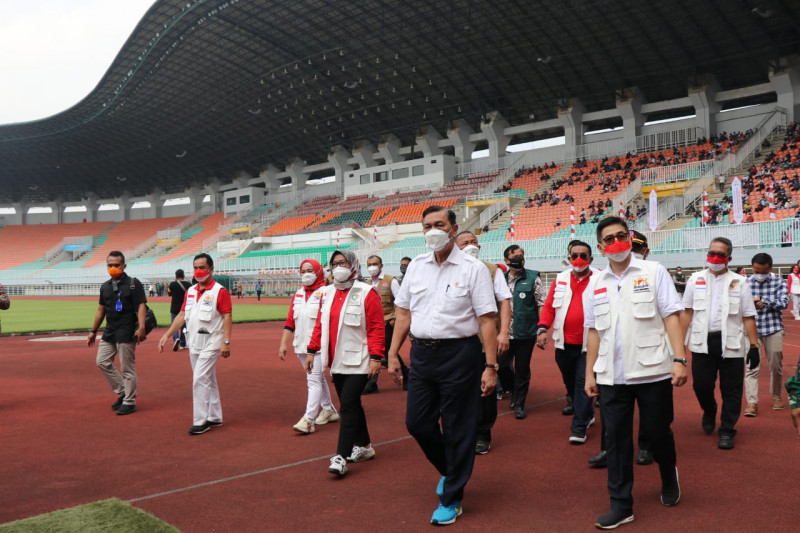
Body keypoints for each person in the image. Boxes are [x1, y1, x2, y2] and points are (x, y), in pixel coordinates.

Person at [387, 205, 498, 526]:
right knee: (417, 423)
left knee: (457, 426)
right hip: (421, 355)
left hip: (460, 355)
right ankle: (451, 471)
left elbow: (486, 319)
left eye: (439, 224)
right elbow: (404, 313)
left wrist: (490, 366)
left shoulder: (472, 268)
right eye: (427, 225)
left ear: (453, 228)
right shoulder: (417, 267)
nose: (432, 230)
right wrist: (393, 353)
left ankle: (452, 498)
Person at [584, 216, 686, 530]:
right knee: (615, 441)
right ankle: (621, 505)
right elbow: (593, 332)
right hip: (612, 377)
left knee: (657, 434)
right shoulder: (596, 283)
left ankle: (669, 476)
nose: (616, 242)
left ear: (629, 238)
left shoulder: (653, 271)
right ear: (601, 248)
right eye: (609, 238)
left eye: (620, 235)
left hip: (653, 371)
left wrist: (679, 359)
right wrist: (589, 374)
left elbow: (672, 316)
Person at [305, 249, 384, 477]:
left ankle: (341, 455)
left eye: (343, 263)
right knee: (352, 404)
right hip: (337, 360)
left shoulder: (367, 292)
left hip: (360, 360)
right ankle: (366, 447)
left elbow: (376, 327)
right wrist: (312, 351)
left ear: (353, 266)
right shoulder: (326, 293)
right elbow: (320, 325)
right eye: (335, 263)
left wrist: (376, 357)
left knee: (348, 405)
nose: (338, 267)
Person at [681, 237, 759, 449]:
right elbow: (687, 312)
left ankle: (727, 430)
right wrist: (678, 344)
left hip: (731, 344)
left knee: (732, 390)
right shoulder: (695, 279)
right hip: (701, 342)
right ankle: (709, 409)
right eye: (711, 252)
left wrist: (754, 346)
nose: (714, 257)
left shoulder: (740, 282)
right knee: (701, 386)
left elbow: (748, 315)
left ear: (729, 258)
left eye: (720, 254)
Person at [158, 253, 233, 435]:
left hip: (212, 341)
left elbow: (227, 316)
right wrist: (168, 334)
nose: (198, 271)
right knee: (209, 379)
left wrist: (226, 342)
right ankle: (215, 416)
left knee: (199, 378)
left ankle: (201, 420)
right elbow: (182, 315)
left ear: (211, 269)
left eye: (202, 267)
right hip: (194, 342)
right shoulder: (190, 292)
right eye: (196, 267)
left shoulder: (219, 291)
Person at [455, 230, 511, 455]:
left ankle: (482, 434)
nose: (471, 245)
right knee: (457, 388)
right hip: (456, 341)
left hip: (482, 341)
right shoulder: (448, 270)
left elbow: (504, 301)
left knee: (484, 387)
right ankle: (461, 429)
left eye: (474, 241)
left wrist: (503, 332)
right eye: (465, 242)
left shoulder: (491, 270)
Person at [537, 240, 596, 445]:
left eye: (583, 255)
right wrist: (543, 327)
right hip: (563, 343)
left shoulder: (600, 279)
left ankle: (579, 426)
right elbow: (549, 307)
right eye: (574, 255)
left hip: (589, 345)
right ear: (568, 257)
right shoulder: (560, 278)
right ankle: (585, 410)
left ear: (591, 258)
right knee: (570, 382)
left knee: (582, 383)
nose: (578, 259)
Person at [279, 259, 338, 434]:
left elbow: (325, 321)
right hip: (301, 345)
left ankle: (308, 419)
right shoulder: (298, 294)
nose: (306, 274)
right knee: (317, 378)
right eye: (303, 270)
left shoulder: (326, 293)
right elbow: (291, 321)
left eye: (310, 270)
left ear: (319, 271)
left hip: (318, 346)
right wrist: (284, 343)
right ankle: (329, 410)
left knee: (312, 380)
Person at [87, 251, 147, 416]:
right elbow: (101, 309)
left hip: (127, 330)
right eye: (110, 265)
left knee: (127, 368)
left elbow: (141, 305)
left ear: (124, 266)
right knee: (102, 361)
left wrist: (141, 327)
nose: (113, 268)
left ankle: (129, 401)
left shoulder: (134, 284)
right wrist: (93, 331)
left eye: (116, 265)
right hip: (110, 330)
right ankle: (122, 392)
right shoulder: (105, 286)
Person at [500, 244, 544, 420]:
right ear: (506, 260)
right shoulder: (500, 279)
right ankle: (513, 389)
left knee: (522, 369)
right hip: (504, 333)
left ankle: (519, 403)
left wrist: (542, 328)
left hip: (525, 332)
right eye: (515, 256)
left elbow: (540, 303)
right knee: (501, 365)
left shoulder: (533, 277)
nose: (519, 259)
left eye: (522, 256)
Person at [745, 253, 789, 416]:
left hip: (773, 328)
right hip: (752, 331)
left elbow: (784, 303)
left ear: (770, 268)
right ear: (752, 267)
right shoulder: (745, 283)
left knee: (776, 366)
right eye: (757, 271)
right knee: (751, 367)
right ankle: (752, 402)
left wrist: (764, 300)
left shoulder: (779, 282)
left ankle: (777, 395)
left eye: (763, 271)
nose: (760, 274)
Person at [362, 255, 409, 393]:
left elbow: (400, 301)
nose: (372, 267)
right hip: (371, 323)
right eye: (369, 264)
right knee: (372, 351)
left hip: (387, 321)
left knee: (387, 352)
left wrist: (395, 318)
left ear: (381, 265)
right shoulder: (366, 283)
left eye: (375, 264)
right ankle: (372, 384)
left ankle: (406, 374)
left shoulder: (390, 281)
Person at [167, 269, 191, 351]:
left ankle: (176, 338)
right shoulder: (188, 284)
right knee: (184, 326)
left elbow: (169, 293)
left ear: (176, 276)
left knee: (174, 324)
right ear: (183, 275)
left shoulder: (173, 284)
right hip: (184, 308)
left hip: (174, 307)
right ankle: (183, 344)